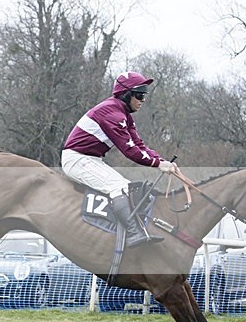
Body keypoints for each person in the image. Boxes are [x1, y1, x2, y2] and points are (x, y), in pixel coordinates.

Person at [61, 71, 177, 248]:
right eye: (139, 95)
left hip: (90, 158)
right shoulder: (112, 114)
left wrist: (162, 161)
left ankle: (132, 230)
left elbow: (139, 145)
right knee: (118, 188)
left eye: (144, 95)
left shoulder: (123, 115)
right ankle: (131, 233)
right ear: (126, 94)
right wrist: (158, 164)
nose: (143, 100)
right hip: (77, 159)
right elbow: (130, 151)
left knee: (125, 187)